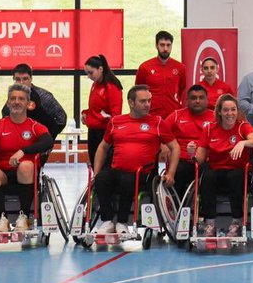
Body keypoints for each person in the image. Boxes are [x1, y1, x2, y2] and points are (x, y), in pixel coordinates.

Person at [91, 85, 179, 234]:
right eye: (143, 101)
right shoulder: (116, 122)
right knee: (101, 178)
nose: (147, 105)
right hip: (117, 170)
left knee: (128, 180)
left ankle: (122, 222)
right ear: (131, 103)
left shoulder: (157, 122)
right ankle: (107, 220)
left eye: (149, 101)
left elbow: (175, 147)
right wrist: (96, 173)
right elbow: (102, 147)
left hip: (144, 174)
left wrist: (170, 173)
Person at [0, 84, 55, 233]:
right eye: (13, 99)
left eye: (21, 99)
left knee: (26, 165)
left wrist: (23, 151)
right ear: (8, 102)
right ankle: (2, 219)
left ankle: (23, 217)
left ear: (29, 104)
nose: (17, 102)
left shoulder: (35, 126)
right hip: (2, 176)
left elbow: (48, 142)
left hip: (26, 175)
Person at [194, 94, 253, 238]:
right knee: (207, 176)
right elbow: (199, 159)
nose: (230, 113)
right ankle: (210, 223)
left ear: (237, 111)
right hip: (216, 171)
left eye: (233, 110)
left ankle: (236, 221)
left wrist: (242, 142)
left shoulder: (243, 126)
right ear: (219, 112)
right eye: (226, 110)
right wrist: (191, 152)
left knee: (234, 176)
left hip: (237, 171)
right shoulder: (210, 128)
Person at [166, 84, 215, 195]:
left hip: (206, 161)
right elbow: (160, 133)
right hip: (182, 160)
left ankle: (205, 210)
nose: (197, 101)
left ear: (207, 100)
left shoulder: (216, 117)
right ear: (187, 100)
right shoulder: (176, 115)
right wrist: (164, 146)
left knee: (210, 175)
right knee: (179, 171)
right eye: (193, 98)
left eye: (201, 98)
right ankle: (177, 208)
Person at [0, 63, 67, 142]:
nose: (21, 82)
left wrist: (48, 137)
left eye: (25, 79)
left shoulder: (43, 96)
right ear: (13, 79)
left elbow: (61, 118)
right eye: (18, 79)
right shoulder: (13, 96)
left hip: (40, 144)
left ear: (31, 78)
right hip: (18, 143)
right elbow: (5, 116)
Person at [134, 30, 186, 119]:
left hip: (172, 115)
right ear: (156, 46)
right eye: (162, 45)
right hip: (150, 114)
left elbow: (182, 89)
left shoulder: (180, 67)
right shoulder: (145, 67)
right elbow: (138, 91)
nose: (165, 49)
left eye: (168, 45)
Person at [82, 54, 122, 163]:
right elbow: (95, 108)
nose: (89, 76)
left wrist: (110, 135)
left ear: (100, 69)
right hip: (93, 130)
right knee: (94, 161)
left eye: (91, 73)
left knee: (103, 164)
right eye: (87, 73)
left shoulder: (112, 87)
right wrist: (86, 113)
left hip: (104, 132)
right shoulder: (95, 84)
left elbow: (116, 114)